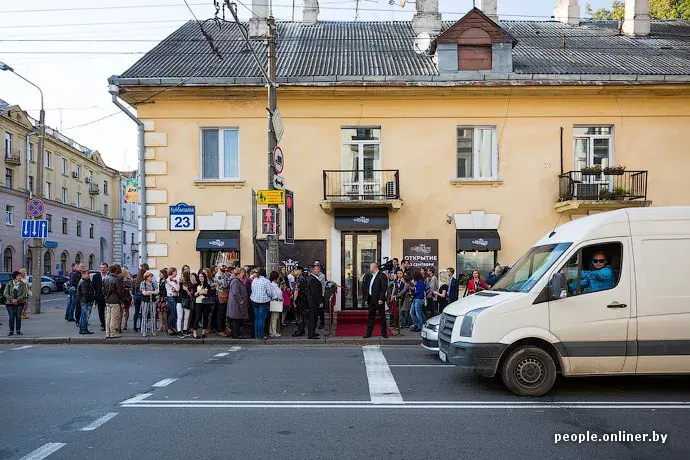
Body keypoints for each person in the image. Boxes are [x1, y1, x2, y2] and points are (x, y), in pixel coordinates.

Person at [362, 263, 389, 339]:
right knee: (370, 317)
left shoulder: (382, 275)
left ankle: (384, 333)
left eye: (370, 267)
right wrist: (367, 299)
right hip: (371, 299)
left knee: (382, 316)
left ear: (374, 267)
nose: (369, 269)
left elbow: (384, 288)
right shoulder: (371, 276)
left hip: (379, 299)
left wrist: (381, 298)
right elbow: (369, 288)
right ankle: (368, 333)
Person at [249, 268, 273, 340]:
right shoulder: (266, 281)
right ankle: (260, 335)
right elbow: (270, 292)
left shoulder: (254, 280)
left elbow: (252, 289)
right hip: (263, 302)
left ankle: (256, 335)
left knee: (256, 318)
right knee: (261, 319)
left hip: (254, 300)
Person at [103, 265, 126, 339]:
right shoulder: (116, 279)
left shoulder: (105, 278)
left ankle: (107, 333)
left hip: (108, 300)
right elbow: (119, 291)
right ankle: (112, 333)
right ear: (116, 270)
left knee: (108, 317)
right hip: (115, 300)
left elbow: (103, 290)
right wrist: (121, 301)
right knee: (114, 317)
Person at [4, 271, 28, 336]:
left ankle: (18, 331)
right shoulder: (9, 284)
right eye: (18, 276)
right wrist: (12, 299)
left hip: (20, 303)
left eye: (20, 276)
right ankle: (11, 331)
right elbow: (5, 293)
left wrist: (17, 300)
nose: (20, 277)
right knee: (11, 317)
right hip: (9, 303)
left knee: (18, 316)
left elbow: (24, 294)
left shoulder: (23, 284)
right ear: (15, 277)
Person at [227, 268, 249, 339]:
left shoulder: (236, 280)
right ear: (238, 274)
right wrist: (241, 301)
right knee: (236, 319)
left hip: (236, 303)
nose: (243, 275)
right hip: (236, 304)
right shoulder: (235, 281)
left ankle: (235, 334)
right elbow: (235, 292)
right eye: (242, 273)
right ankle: (236, 334)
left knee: (235, 319)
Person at [306, 264, 324, 340]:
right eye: (316, 269)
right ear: (313, 270)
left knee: (314, 318)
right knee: (312, 319)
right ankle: (311, 334)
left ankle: (312, 332)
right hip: (313, 302)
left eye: (318, 269)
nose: (318, 270)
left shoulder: (313, 278)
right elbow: (315, 292)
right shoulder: (312, 279)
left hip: (313, 302)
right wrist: (320, 302)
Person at [192, 271, 211, 339]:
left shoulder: (207, 285)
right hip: (198, 303)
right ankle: (194, 332)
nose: (201, 278)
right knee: (198, 317)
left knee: (205, 317)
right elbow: (194, 295)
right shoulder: (196, 285)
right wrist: (201, 292)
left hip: (205, 303)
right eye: (199, 277)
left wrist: (203, 293)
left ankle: (203, 331)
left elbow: (209, 294)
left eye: (202, 276)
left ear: (204, 277)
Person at [76, 269, 95, 335]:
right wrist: (89, 299)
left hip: (84, 300)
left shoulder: (86, 281)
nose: (89, 275)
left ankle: (82, 329)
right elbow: (85, 293)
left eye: (89, 274)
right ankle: (84, 329)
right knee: (85, 315)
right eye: (87, 274)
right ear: (83, 274)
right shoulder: (84, 282)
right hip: (86, 301)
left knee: (83, 315)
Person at [140, 271, 158, 337]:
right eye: (150, 276)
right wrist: (152, 292)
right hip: (145, 301)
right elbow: (144, 293)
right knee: (144, 316)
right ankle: (144, 331)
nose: (151, 278)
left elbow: (157, 292)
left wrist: (149, 292)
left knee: (153, 315)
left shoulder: (153, 283)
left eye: (151, 276)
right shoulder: (143, 283)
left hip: (153, 301)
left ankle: (153, 331)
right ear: (146, 277)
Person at [132, 263, 150, 333]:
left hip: (136, 296)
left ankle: (134, 326)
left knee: (136, 312)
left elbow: (132, 290)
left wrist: (133, 298)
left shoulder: (135, 280)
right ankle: (142, 326)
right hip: (143, 296)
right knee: (143, 312)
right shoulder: (145, 281)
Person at [292, 267, 308, 337]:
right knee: (302, 315)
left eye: (295, 270)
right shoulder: (303, 277)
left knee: (300, 315)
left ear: (299, 271)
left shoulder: (299, 279)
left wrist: (294, 300)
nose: (294, 272)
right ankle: (302, 330)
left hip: (300, 300)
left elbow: (296, 291)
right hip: (303, 299)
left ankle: (300, 331)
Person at [177, 271, 194, 338]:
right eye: (181, 276)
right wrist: (179, 282)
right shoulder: (180, 283)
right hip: (180, 301)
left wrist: (186, 290)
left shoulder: (190, 284)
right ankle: (179, 332)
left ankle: (185, 330)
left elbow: (191, 295)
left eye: (183, 276)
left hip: (187, 301)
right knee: (180, 317)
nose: (181, 277)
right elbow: (177, 290)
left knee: (186, 317)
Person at [93, 263, 108, 332]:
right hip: (100, 297)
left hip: (108, 296)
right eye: (101, 267)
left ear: (107, 268)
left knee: (109, 312)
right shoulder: (96, 276)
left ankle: (108, 324)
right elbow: (93, 287)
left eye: (104, 267)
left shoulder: (109, 275)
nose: (103, 269)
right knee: (101, 311)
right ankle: (103, 324)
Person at [268, 271, 283, 338]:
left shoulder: (273, 284)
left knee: (274, 317)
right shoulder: (273, 285)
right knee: (275, 317)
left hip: (275, 302)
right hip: (275, 302)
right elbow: (275, 294)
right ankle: (273, 331)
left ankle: (272, 331)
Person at [165, 268, 180, 335]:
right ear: (173, 272)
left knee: (175, 313)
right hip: (171, 297)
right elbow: (177, 288)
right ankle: (168, 327)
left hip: (175, 296)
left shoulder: (175, 280)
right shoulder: (169, 280)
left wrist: (176, 286)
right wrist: (176, 287)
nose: (176, 273)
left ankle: (173, 327)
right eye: (175, 272)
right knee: (173, 313)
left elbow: (177, 288)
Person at [118, 267, 134, 333]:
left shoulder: (127, 279)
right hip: (125, 296)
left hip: (125, 297)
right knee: (122, 311)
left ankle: (123, 324)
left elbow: (130, 289)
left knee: (124, 310)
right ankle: (121, 325)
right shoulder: (125, 279)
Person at [313, 260, 327, 329]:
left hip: (321, 294)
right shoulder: (313, 275)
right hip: (315, 295)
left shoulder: (322, 275)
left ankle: (322, 322)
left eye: (316, 266)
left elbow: (317, 281)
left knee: (321, 310)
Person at [157, 269, 169, 333]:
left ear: (164, 274)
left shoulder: (167, 281)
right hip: (160, 297)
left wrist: (166, 299)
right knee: (159, 311)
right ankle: (161, 325)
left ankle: (164, 325)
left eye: (160, 274)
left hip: (165, 297)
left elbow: (167, 290)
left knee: (164, 311)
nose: (159, 275)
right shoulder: (160, 280)